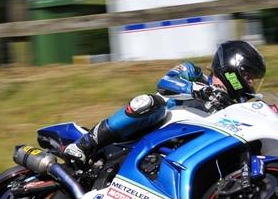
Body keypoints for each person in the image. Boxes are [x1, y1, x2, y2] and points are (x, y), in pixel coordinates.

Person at [63, 40, 266, 164]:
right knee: (149, 102)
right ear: (234, 67)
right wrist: (200, 90)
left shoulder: (232, 106)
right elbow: (165, 83)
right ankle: (86, 143)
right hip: (151, 125)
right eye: (249, 76)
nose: (250, 83)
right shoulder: (193, 73)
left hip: (179, 146)